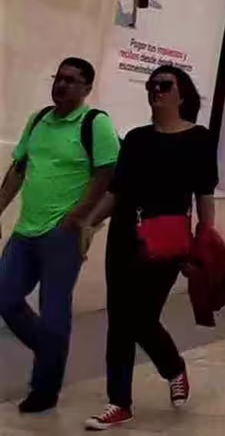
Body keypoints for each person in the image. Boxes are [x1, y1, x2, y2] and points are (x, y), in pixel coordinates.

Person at [82, 65, 216, 430]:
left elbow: (204, 195)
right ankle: (119, 402)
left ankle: (173, 367)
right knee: (119, 320)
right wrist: (89, 223)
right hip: (125, 236)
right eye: (151, 85)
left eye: (164, 85)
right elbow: (117, 192)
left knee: (141, 318)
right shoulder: (137, 138)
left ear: (181, 94)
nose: (155, 91)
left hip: (167, 241)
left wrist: (204, 242)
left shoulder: (199, 139)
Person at [0, 57, 119, 414]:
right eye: (59, 78)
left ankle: (45, 388)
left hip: (62, 234)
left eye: (71, 80)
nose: (62, 85)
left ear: (87, 87)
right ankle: (50, 351)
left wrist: (79, 216)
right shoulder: (39, 119)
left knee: (53, 309)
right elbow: (19, 168)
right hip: (25, 230)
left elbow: (108, 173)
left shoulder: (95, 123)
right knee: (5, 297)